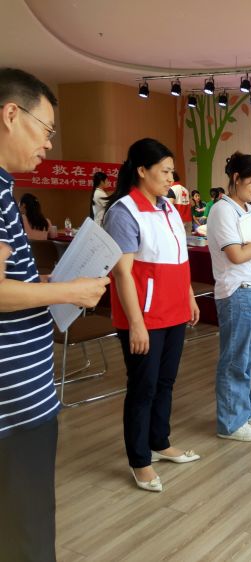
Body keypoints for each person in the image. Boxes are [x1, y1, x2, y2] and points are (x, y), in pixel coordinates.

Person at [0, 67, 108, 561]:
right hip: (14, 405)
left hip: (21, 395)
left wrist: (46, 285)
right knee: (27, 532)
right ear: (10, 115)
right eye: (45, 129)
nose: (47, 145)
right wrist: (68, 290)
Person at [103, 138, 201, 493]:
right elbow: (123, 274)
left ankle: (160, 442)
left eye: (172, 171)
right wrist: (136, 324)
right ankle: (139, 460)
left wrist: (189, 296)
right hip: (144, 317)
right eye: (165, 171)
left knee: (165, 382)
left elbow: (179, 259)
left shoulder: (168, 207)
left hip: (174, 310)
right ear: (142, 171)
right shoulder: (124, 211)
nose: (171, 178)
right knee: (142, 388)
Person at [207, 152, 251, 442]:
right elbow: (236, 255)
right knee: (235, 357)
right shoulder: (223, 210)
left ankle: (244, 409)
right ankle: (230, 422)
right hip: (237, 289)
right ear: (236, 178)